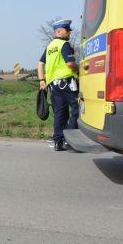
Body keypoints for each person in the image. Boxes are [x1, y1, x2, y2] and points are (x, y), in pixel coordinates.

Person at [38, 19, 79, 151]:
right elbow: (70, 64)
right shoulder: (64, 44)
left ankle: (58, 142)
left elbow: (40, 64)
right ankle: (70, 139)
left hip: (53, 86)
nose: (69, 33)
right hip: (66, 83)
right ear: (59, 31)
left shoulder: (50, 46)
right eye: (67, 30)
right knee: (77, 109)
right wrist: (80, 68)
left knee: (60, 113)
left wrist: (42, 80)